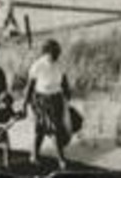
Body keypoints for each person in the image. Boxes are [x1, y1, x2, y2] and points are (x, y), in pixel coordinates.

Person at [23, 39, 71, 171]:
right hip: (42, 101)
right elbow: (29, 87)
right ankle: (60, 159)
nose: (57, 55)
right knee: (45, 129)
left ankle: (35, 155)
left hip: (57, 100)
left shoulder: (60, 64)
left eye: (58, 53)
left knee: (53, 129)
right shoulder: (38, 65)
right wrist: (24, 105)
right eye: (55, 53)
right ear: (47, 52)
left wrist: (67, 96)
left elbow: (65, 83)